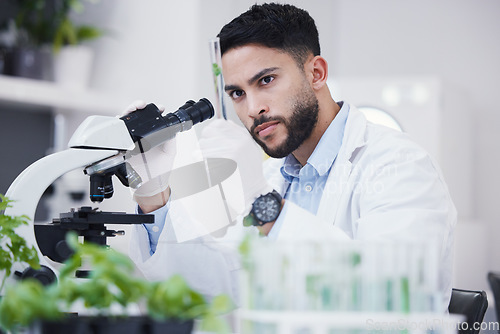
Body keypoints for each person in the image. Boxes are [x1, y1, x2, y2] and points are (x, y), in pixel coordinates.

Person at [129, 2, 456, 313]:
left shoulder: (398, 164)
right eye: (237, 93)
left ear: (316, 73)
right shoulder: (274, 178)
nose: (253, 108)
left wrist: (262, 202)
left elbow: (393, 296)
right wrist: (153, 196)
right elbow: (220, 286)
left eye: (266, 80)